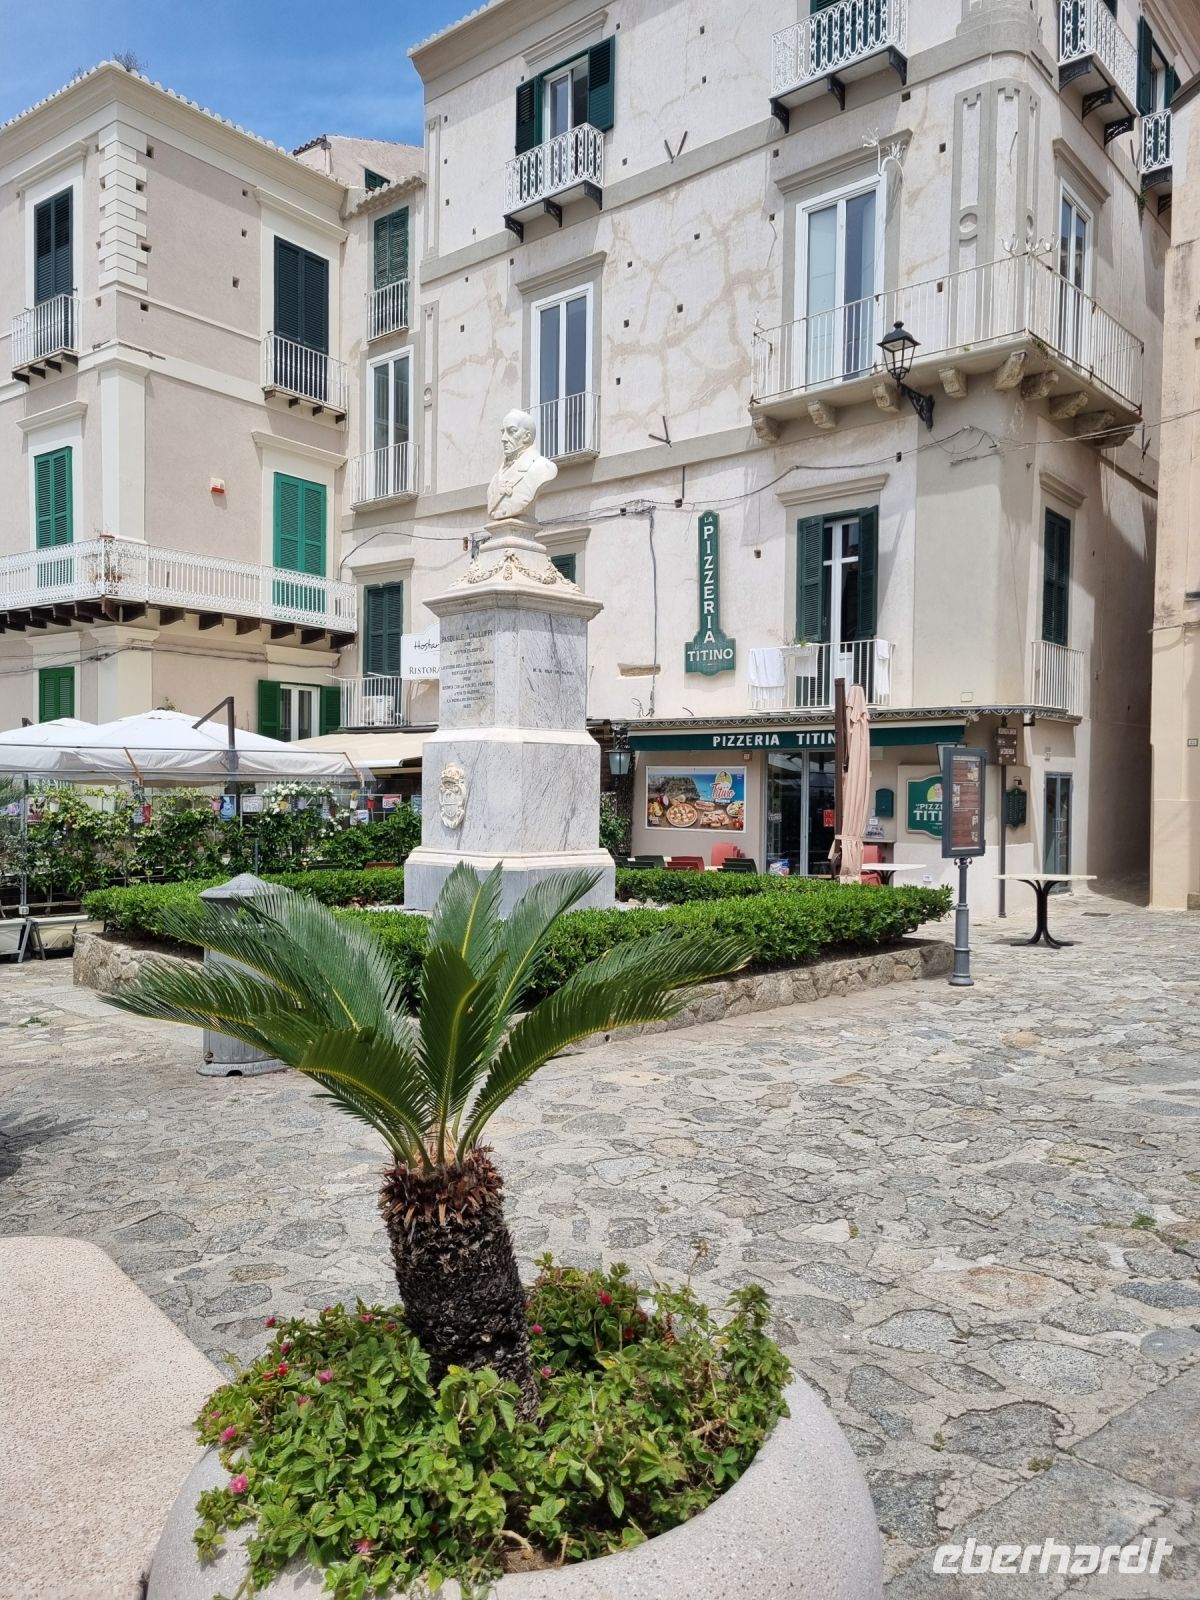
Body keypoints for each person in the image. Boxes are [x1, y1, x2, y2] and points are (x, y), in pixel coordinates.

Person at [486, 409, 558, 523]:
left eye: (511, 431)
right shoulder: (495, 479)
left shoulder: (543, 468)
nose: (503, 439)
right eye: (503, 432)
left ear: (526, 436)